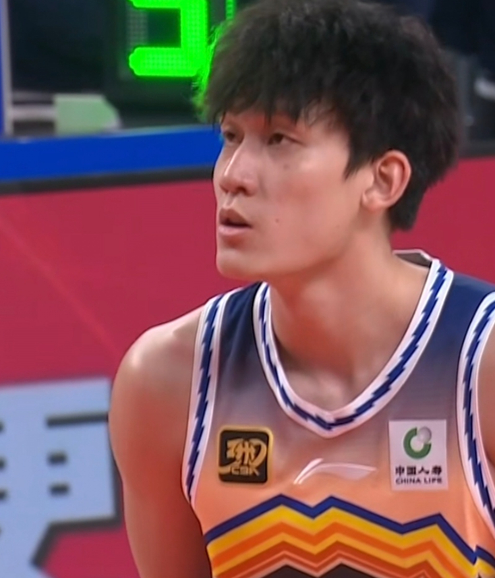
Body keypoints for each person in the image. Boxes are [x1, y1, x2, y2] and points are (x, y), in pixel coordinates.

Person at [108, 1, 495, 577]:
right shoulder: (168, 383)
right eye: (231, 136)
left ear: (382, 179)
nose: (233, 175)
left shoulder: (481, 365)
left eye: (280, 140)